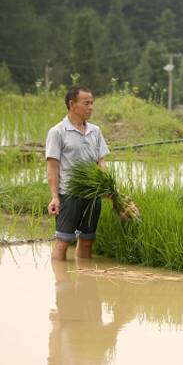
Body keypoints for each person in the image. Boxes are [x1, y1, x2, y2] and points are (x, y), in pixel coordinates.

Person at [46, 86, 110, 260]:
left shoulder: (95, 131)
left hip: (92, 194)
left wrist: (107, 185)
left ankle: (84, 281)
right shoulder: (57, 132)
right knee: (63, 241)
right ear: (72, 104)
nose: (91, 107)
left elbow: (101, 161)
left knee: (87, 240)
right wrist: (55, 197)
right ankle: (60, 282)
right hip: (69, 194)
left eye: (92, 103)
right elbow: (53, 168)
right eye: (86, 103)